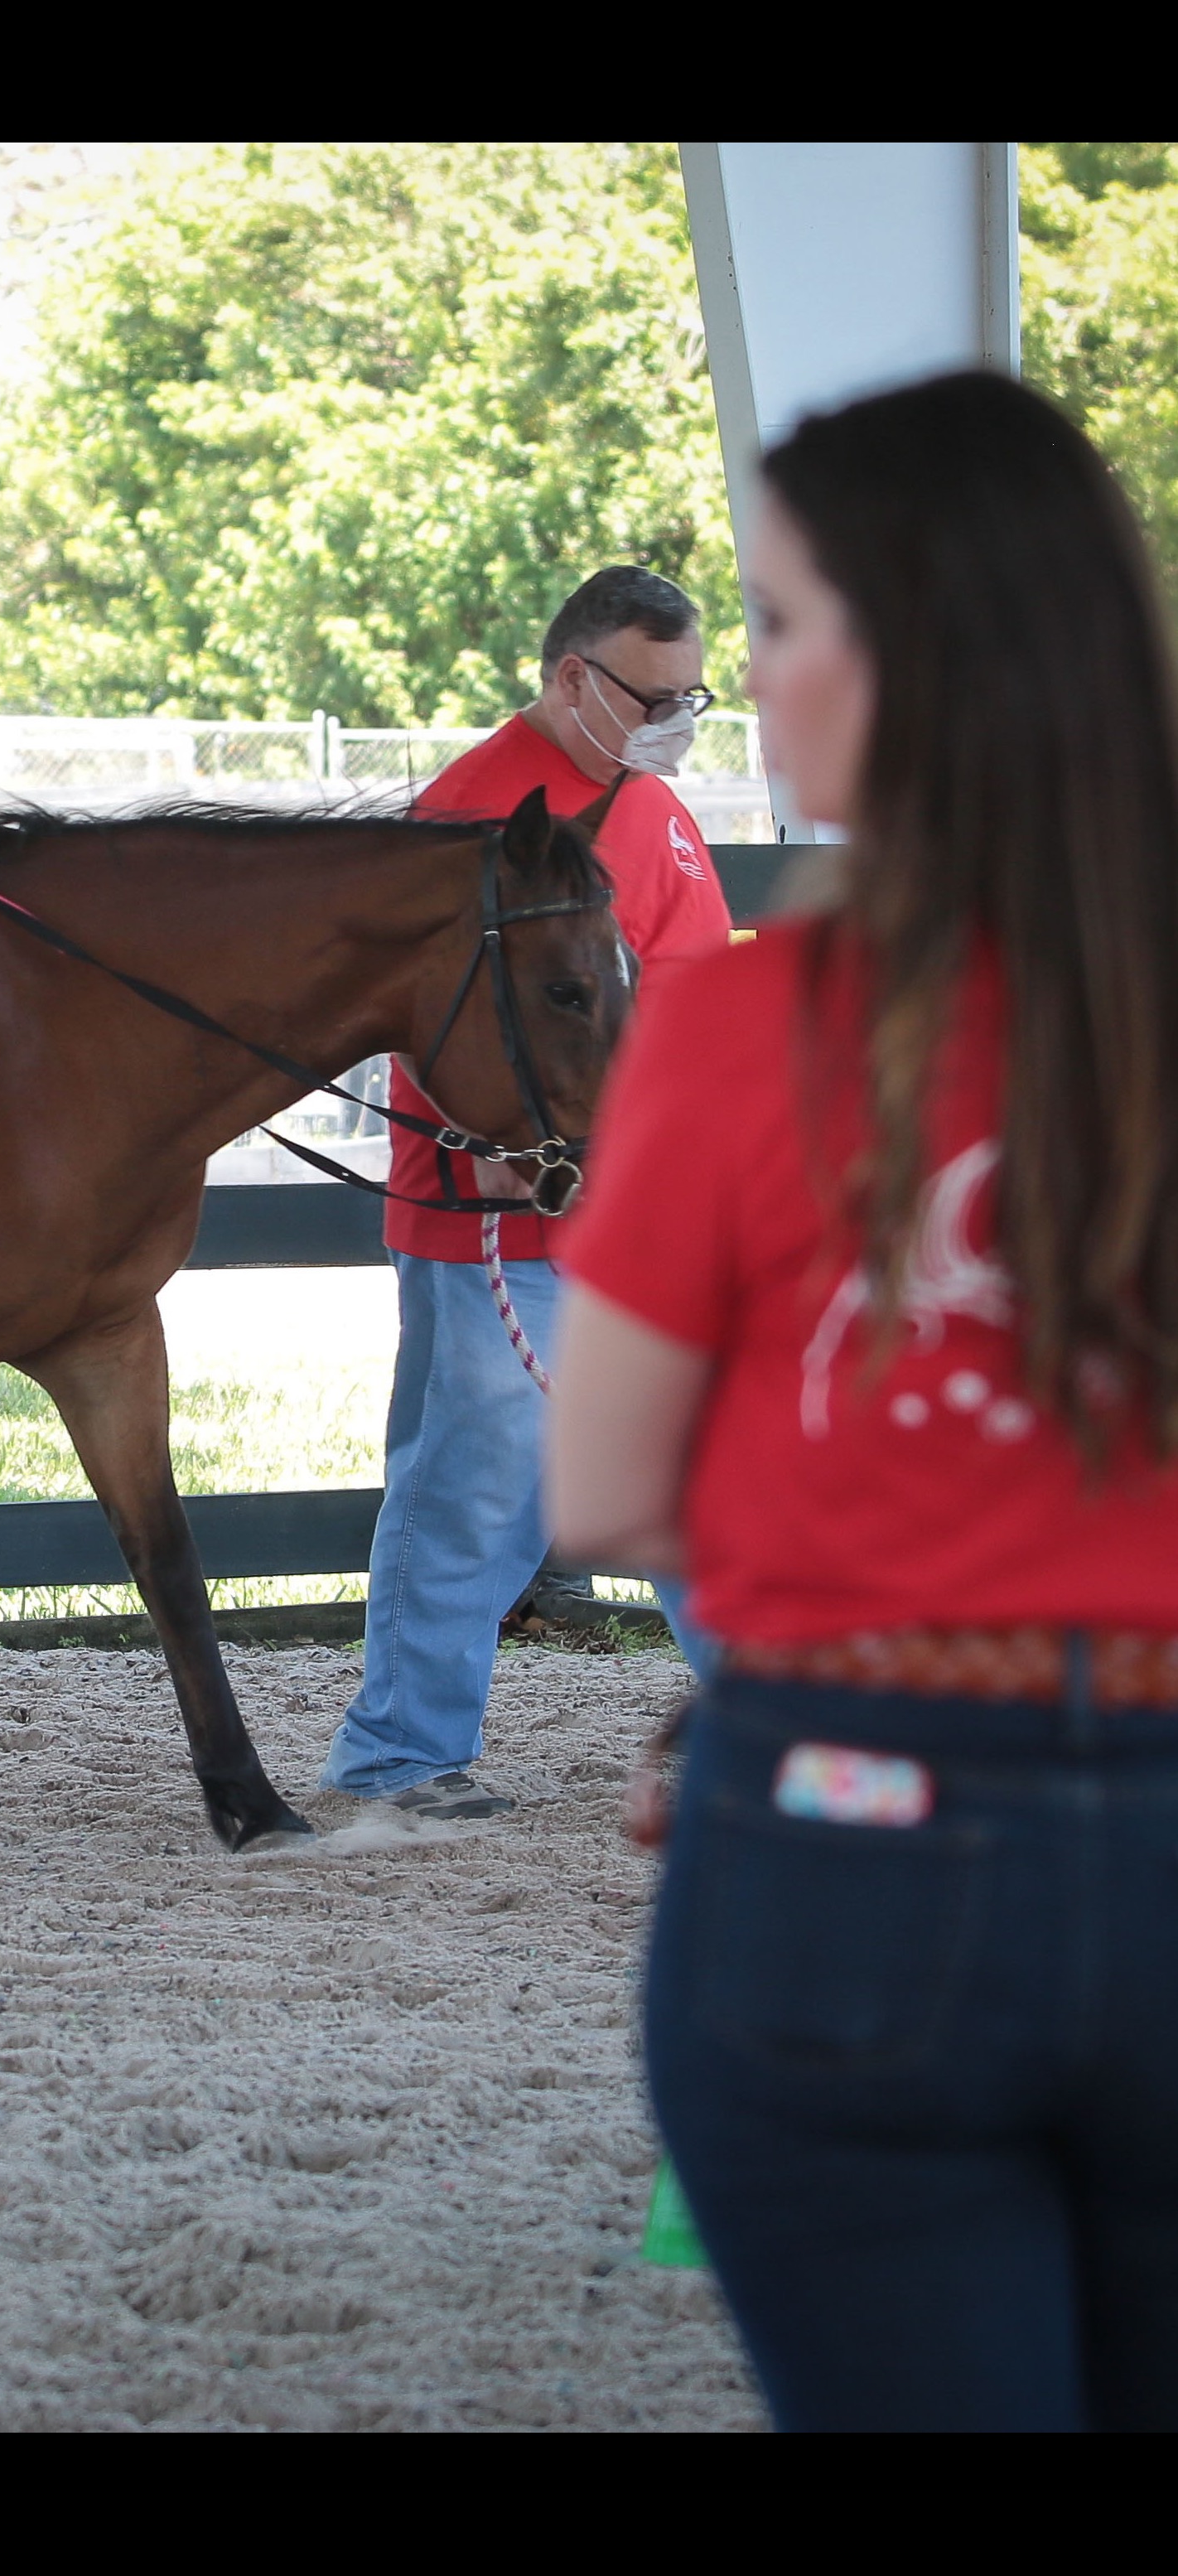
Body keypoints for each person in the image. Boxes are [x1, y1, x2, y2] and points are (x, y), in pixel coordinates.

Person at [552, 370, 1178, 2433]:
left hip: (854, 1837)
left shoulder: (752, 1018)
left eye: (784, 624)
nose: (757, 683)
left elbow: (607, 1487)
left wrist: (862, 1517)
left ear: (913, 657)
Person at [319, 567, 734, 1820]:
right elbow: (420, 1021)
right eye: (655, 693)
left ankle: (764, 1734)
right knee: (477, 1482)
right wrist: (484, 1142)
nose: (677, 714)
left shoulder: (643, 796)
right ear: (573, 678)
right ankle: (399, 1756)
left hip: (647, 1207)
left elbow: (695, 984)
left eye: (692, 692)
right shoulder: (473, 815)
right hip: (502, 1214)